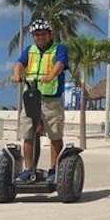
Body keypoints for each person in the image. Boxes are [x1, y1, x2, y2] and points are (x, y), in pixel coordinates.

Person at [11, 19, 69, 183]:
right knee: (27, 134)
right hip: (30, 97)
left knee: (54, 134)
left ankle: (53, 169)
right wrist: (17, 74)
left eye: (43, 34)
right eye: (37, 35)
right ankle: (29, 169)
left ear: (50, 34)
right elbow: (19, 64)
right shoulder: (29, 50)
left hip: (51, 99)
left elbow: (60, 64)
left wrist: (51, 76)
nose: (40, 37)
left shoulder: (59, 49)